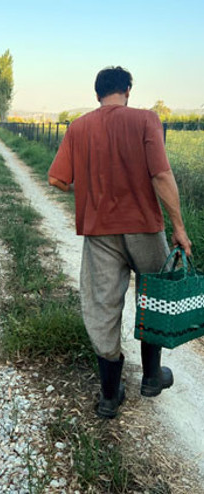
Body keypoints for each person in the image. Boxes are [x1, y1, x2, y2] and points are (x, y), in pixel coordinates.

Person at [48, 66, 192, 419]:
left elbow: (56, 181)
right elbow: (160, 174)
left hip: (100, 233)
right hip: (144, 227)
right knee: (156, 299)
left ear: (97, 93)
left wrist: (90, 191)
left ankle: (110, 396)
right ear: (127, 89)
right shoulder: (146, 120)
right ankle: (152, 378)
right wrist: (179, 228)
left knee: (102, 308)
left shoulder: (78, 128)